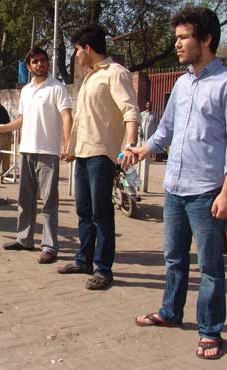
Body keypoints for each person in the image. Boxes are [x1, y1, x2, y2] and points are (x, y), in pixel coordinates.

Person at [131, 7, 227, 360]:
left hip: (207, 191)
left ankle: (211, 330)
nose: (177, 44)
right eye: (177, 37)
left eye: (184, 37)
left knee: (211, 266)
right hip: (175, 188)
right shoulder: (182, 83)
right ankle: (170, 312)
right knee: (173, 258)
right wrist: (143, 149)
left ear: (206, 39)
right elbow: (165, 129)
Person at [56, 24, 139, 290]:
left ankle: (103, 269)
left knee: (102, 214)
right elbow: (84, 119)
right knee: (84, 210)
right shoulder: (91, 76)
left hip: (102, 155)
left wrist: (130, 145)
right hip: (82, 153)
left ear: (88, 48)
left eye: (77, 50)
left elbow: (130, 111)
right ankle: (84, 259)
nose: (76, 56)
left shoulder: (115, 74)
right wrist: (70, 148)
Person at [0, 47, 73, 263]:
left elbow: (67, 117)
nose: (40, 64)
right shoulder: (26, 91)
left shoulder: (57, 87)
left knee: (49, 202)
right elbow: (21, 120)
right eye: (36, 61)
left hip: (48, 153)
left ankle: (50, 246)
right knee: (25, 200)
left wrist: (67, 145)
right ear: (29, 66)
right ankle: (24, 239)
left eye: (43, 60)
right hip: (26, 151)